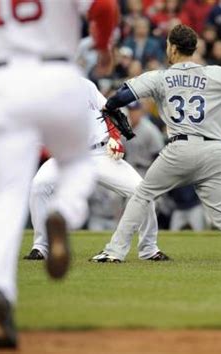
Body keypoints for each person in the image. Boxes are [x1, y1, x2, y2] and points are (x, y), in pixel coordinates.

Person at [0, 0, 118, 348]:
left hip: (2, 80)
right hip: (58, 74)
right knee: (78, 164)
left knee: (8, 196)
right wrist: (101, 46)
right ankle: (62, 212)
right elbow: (104, 7)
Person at [90, 23, 221, 266]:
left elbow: (121, 97)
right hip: (213, 150)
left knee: (142, 195)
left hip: (180, 148)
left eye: (169, 45)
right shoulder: (216, 74)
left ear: (173, 48)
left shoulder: (161, 77)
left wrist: (109, 107)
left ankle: (114, 252)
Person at [25, 79, 167, 263]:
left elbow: (109, 110)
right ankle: (42, 247)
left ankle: (149, 249)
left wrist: (115, 137)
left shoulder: (84, 85)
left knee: (141, 191)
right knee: (39, 185)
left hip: (100, 153)